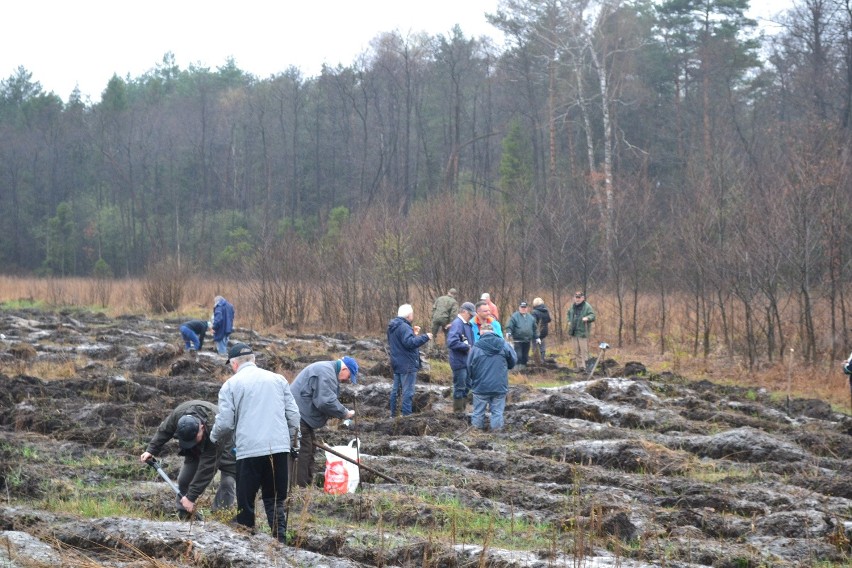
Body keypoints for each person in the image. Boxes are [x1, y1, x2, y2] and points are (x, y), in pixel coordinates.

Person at [210, 343, 300, 543]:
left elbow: (225, 422)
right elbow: (293, 416)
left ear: (234, 364)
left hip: (248, 452)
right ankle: (280, 541)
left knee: (246, 501)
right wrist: (294, 443)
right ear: (253, 360)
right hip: (278, 449)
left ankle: (247, 542)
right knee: (275, 499)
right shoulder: (278, 379)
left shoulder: (230, 385)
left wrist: (213, 437)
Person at [139, 400, 236, 520]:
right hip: (199, 443)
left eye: (194, 440)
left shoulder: (215, 427)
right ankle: (184, 514)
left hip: (225, 443)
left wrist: (191, 497)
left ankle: (221, 516)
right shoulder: (179, 414)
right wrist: (151, 449)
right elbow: (165, 430)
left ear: (201, 427)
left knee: (228, 482)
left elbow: (207, 469)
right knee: (184, 479)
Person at [289, 357, 358, 488]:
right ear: (344, 369)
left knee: (309, 449)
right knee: (303, 452)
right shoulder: (326, 371)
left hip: (301, 416)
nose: (346, 380)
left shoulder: (327, 370)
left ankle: (305, 485)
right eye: (348, 376)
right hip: (297, 416)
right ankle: (299, 488)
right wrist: (345, 413)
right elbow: (325, 401)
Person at [468, 323, 517, 431]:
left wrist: (473, 380)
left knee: (478, 412)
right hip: (499, 385)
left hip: (480, 386)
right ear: (493, 332)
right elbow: (513, 361)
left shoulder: (476, 347)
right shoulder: (504, 344)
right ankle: (497, 434)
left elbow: (469, 366)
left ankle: (476, 433)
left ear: (481, 332)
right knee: (497, 412)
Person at [387, 304, 432, 417]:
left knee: (396, 391)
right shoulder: (404, 327)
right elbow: (410, 343)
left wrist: (414, 334)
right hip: (407, 364)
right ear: (409, 315)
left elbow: (401, 342)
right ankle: (407, 417)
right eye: (412, 313)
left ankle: (393, 415)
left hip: (397, 362)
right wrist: (425, 337)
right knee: (408, 392)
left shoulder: (393, 326)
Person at [446, 302, 476, 414]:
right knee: (460, 387)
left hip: (466, 361)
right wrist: (466, 347)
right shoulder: (457, 323)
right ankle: (458, 413)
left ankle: (462, 410)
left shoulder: (467, 324)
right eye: (470, 314)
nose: (472, 317)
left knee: (467, 386)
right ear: (463, 311)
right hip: (459, 362)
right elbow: (452, 342)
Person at [567, 290, 596, 372]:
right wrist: (569, 321)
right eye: (576, 297)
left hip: (582, 332)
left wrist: (588, 318)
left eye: (579, 297)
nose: (577, 299)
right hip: (573, 332)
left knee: (584, 351)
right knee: (576, 350)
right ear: (574, 298)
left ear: (583, 298)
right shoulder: (572, 306)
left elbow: (593, 315)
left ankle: (586, 367)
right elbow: (568, 313)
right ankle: (580, 367)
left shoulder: (587, 306)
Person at [505, 301, 538, 371]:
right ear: (519, 308)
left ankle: (523, 370)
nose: (523, 309)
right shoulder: (514, 316)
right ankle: (516, 370)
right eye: (522, 307)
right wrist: (508, 332)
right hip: (517, 340)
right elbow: (510, 326)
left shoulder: (531, 318)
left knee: (525, 357)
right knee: (518, 356)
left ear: (527, 308)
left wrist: (537, 337)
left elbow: (534, 328)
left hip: (527, 340)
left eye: (525, 307)